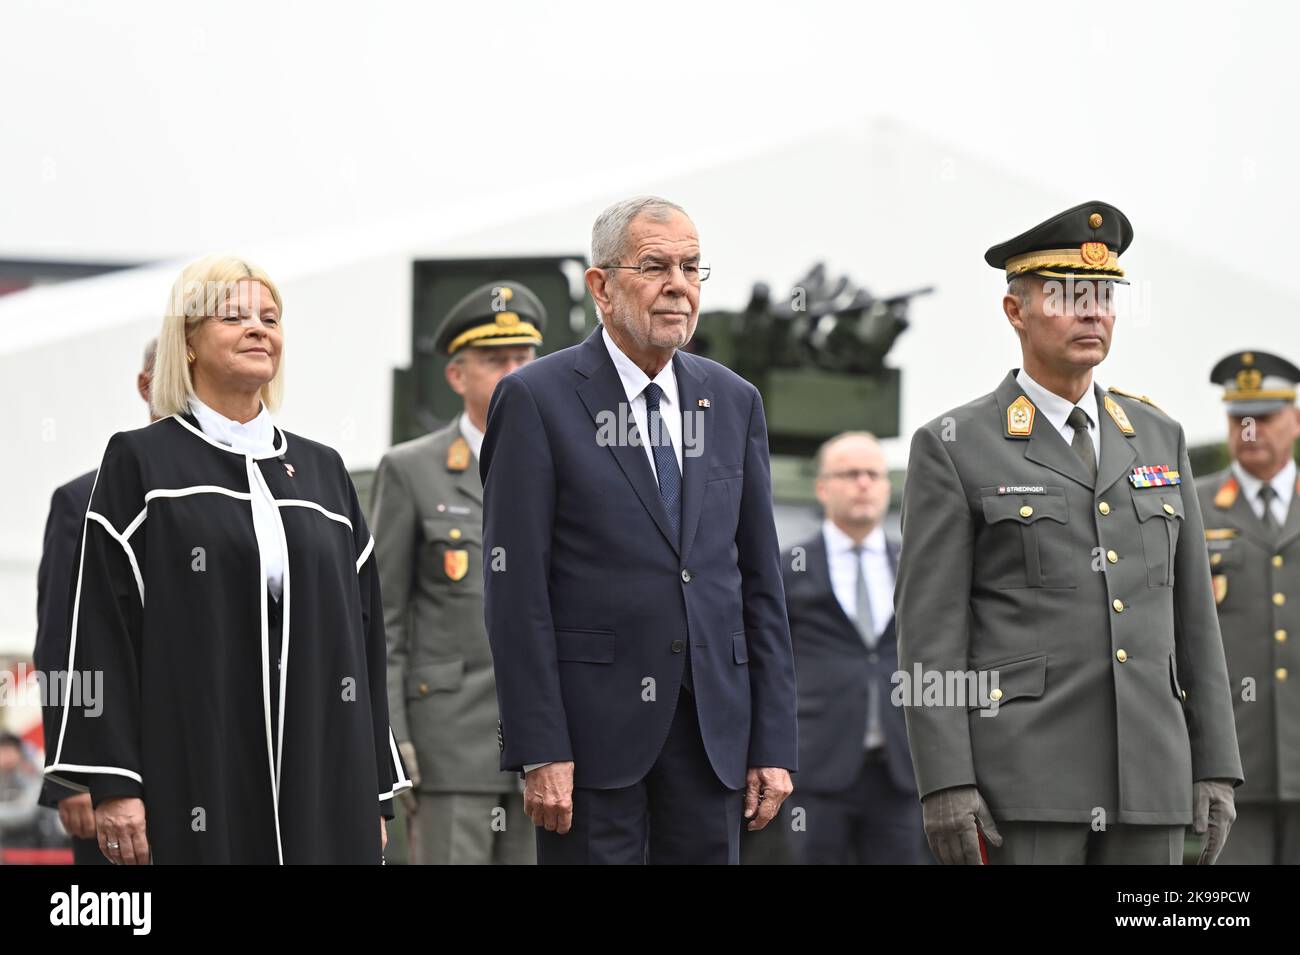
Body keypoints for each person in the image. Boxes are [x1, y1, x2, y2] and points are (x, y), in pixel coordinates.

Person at [896, 201, 1242, 865]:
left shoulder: (1158, 437)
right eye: (1067, 295)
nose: (1093, 311)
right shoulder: (955, 445)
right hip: (1023, 784)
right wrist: (946, 779)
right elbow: (930, 632)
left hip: (1154, 781)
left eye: (1104, 294)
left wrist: (1216, 764)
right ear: (1015, 311)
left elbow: (1194, 618)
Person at [43, 254, 410, 864]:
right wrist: (113, 782)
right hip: (194, 765)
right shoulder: (142, 462)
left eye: (270, 317)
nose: (258, 328)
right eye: (233, 315)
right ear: (187, 343)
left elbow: (364, 636)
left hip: (320, 769)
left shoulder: (324, 472)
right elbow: (100, 630)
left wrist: (371, 788)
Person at [480, 196, 798, 864]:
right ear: (601, 285)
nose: (678, 284)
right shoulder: (537, 399)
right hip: (591, 744)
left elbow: (760, 583)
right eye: (655, 266)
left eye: (691, 267)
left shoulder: (733, 401)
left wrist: (772, 741)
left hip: (713, 737)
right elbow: (516, 593)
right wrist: (540, 745)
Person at [373, 280, 545, 864]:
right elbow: (385, 621)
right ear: (456, 376)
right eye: (496, 360)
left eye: (524, 359)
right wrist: (395, 738)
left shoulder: (568, 468)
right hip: (449, 744)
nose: (515, 372)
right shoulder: (411, 470)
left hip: (548, 747)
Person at [34, 337, 158, 866]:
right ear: (146, 386)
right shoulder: (85, 499)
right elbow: (62, 644)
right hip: (113, 772)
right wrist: (73, 775)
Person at [782, 432, 929, 864]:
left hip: (901, 772)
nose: (863, 484)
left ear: (888, 486)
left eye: (873, 474)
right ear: (823, 487)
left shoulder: (916, 568)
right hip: (816, 768)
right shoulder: (788, 568)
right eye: (850, 474)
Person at [1197, 350, 1300, 864]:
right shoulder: (1192, 506)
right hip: (1233, 765)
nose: (1251, 431)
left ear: (1296, 418)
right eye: (1240, 419)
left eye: (1265, 417)